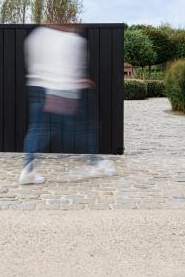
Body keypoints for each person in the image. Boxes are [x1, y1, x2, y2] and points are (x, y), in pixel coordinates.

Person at [19, 24, 115, 185]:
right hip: (61, 90)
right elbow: (72, 70)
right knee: (86, 126)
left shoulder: (37, 34)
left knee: (38, 128)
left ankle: (28, 170)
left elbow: (33, 63)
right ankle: (95, 162)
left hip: (37, 87)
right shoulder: (74, 40)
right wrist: (78, 84)